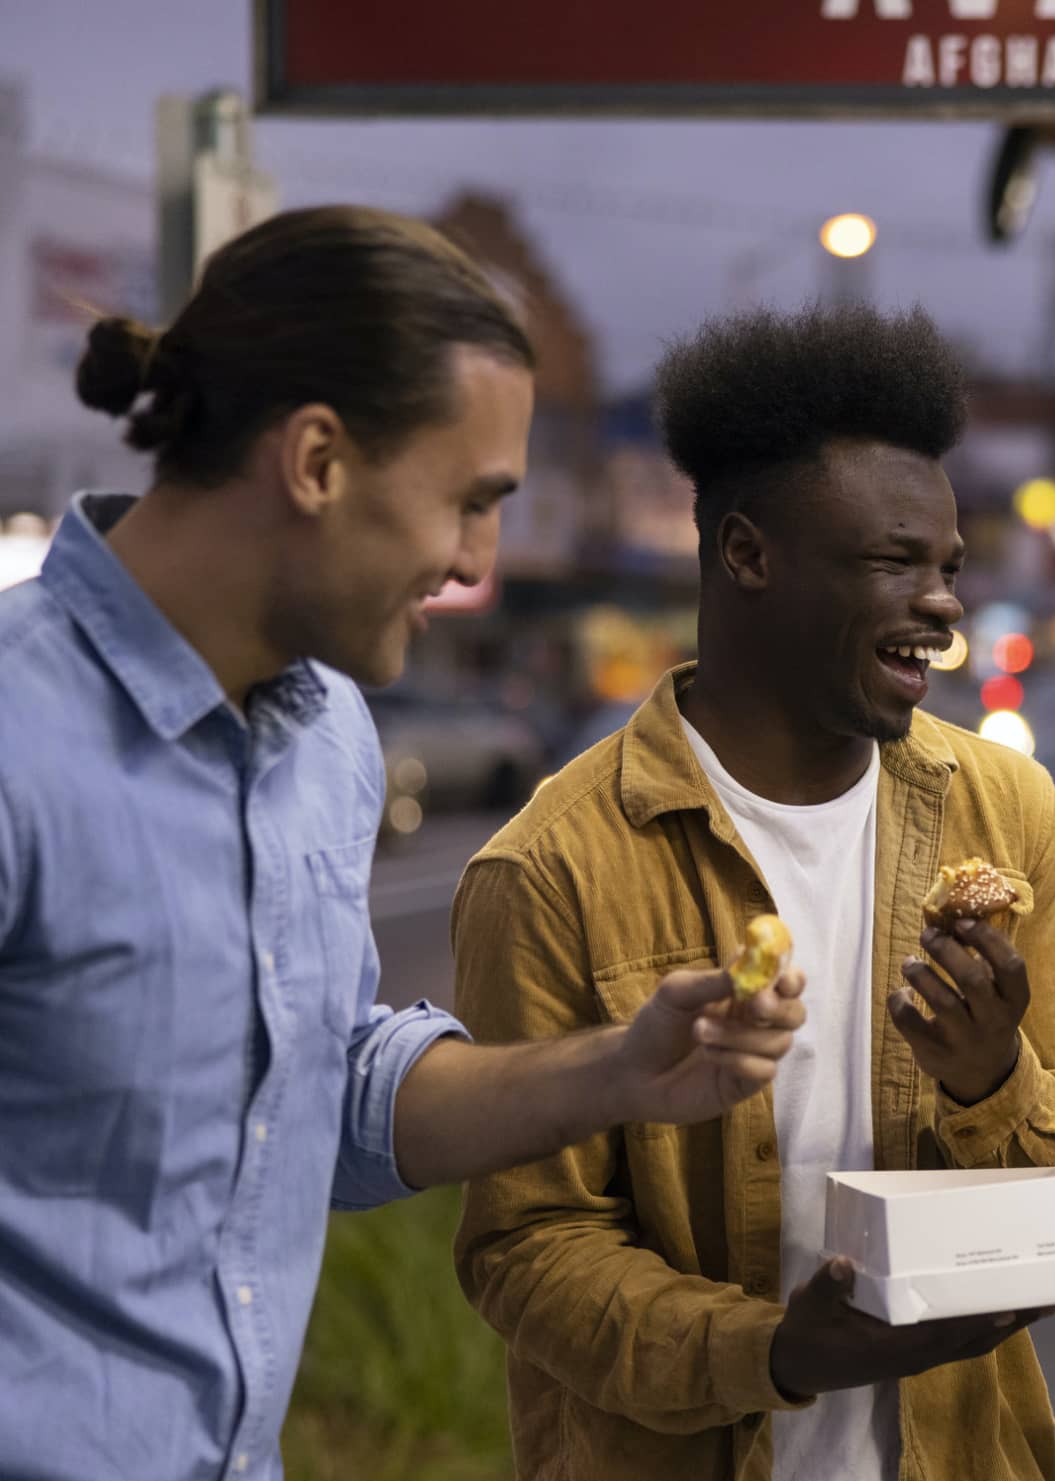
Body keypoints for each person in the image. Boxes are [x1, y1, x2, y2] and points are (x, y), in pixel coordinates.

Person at [0, 206, 802, 1481]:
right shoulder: (17, 737)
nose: (476, 561)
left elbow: (319, 1092)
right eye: (468, 501)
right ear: (316, 459)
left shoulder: (329, 739)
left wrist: (622, 1071)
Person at [449, 303, 1055, 1481]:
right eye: (890, 561)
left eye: (947, 568)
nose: (942, 603)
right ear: (747, 554)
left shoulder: (1004, 811)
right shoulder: (551, 867)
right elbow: (526, 1244)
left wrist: (988, 1080)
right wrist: (778, 1350)